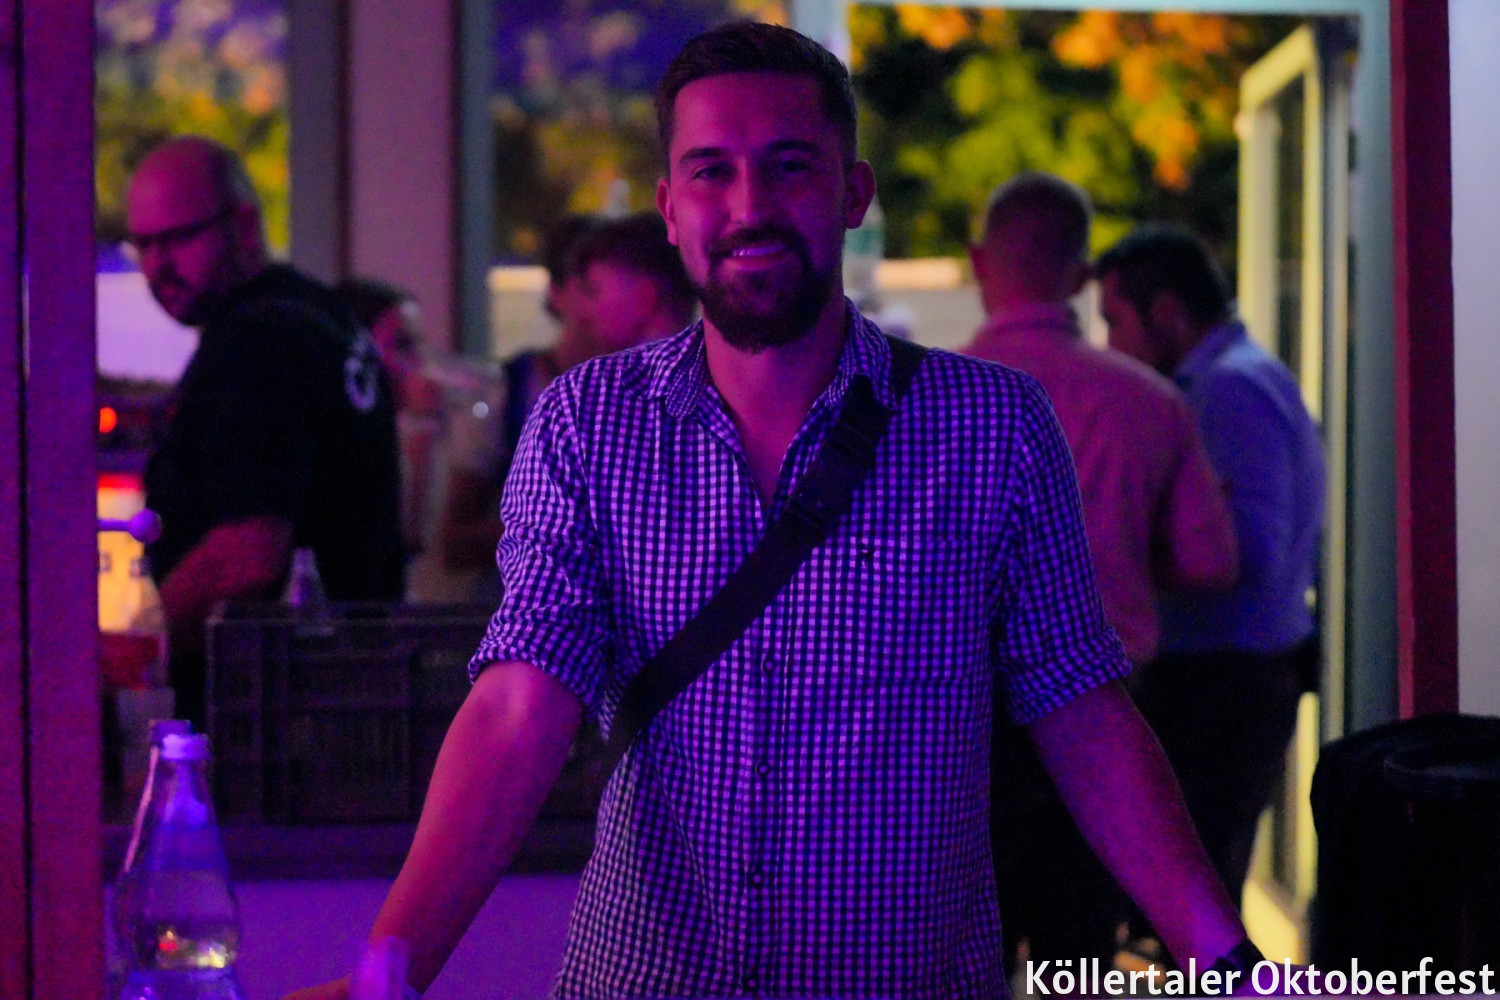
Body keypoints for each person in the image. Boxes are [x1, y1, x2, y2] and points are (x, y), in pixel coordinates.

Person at [286, 23, 1252, 1000]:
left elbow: (1081, 708)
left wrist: (1230, 965)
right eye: (712, 172)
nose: (749, 207)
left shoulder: (991, 425)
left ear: (852, 194)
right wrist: (385, 974)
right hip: (647, 982)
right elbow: (519, 705)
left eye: (789, 167)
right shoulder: (586, 423)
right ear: (670, 208)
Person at [962, 174, 1239, 980]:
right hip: (1108, 723)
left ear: (979, 263)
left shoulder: (924, 401)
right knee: (1079, 955)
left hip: (960, 727)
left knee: (965, 951)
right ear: (1083, 276)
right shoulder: (1150, 401)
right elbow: (1210, 561)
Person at [127, 136, 404, 726]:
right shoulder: (323, 314)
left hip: (277, 717)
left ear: (245, 226)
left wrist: (137, 647)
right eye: (144, 245)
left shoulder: (255, 342)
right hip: (350, 697)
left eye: (178, 239)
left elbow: (246, 555)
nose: (158, 267)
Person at [1096, 224, 1326, 914]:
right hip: (1230, 674)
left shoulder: (1225, 392)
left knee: (1197, 909)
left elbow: (1247, 552)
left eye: (1115, 321)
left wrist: (1115, 562)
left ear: (1167, 312)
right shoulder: (1235, 378)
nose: (1110, 346)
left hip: (1222, 682)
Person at [439, 211, 692, 597]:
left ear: (645, 295)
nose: (590, 311)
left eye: (597, 290)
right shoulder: (555, 394)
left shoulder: (619, 396)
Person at [337, 277, 444, 565]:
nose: (420, 362)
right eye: (403, 345)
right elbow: (407, 543)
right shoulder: (345, 444)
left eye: (419, 344)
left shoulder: (413, 433)